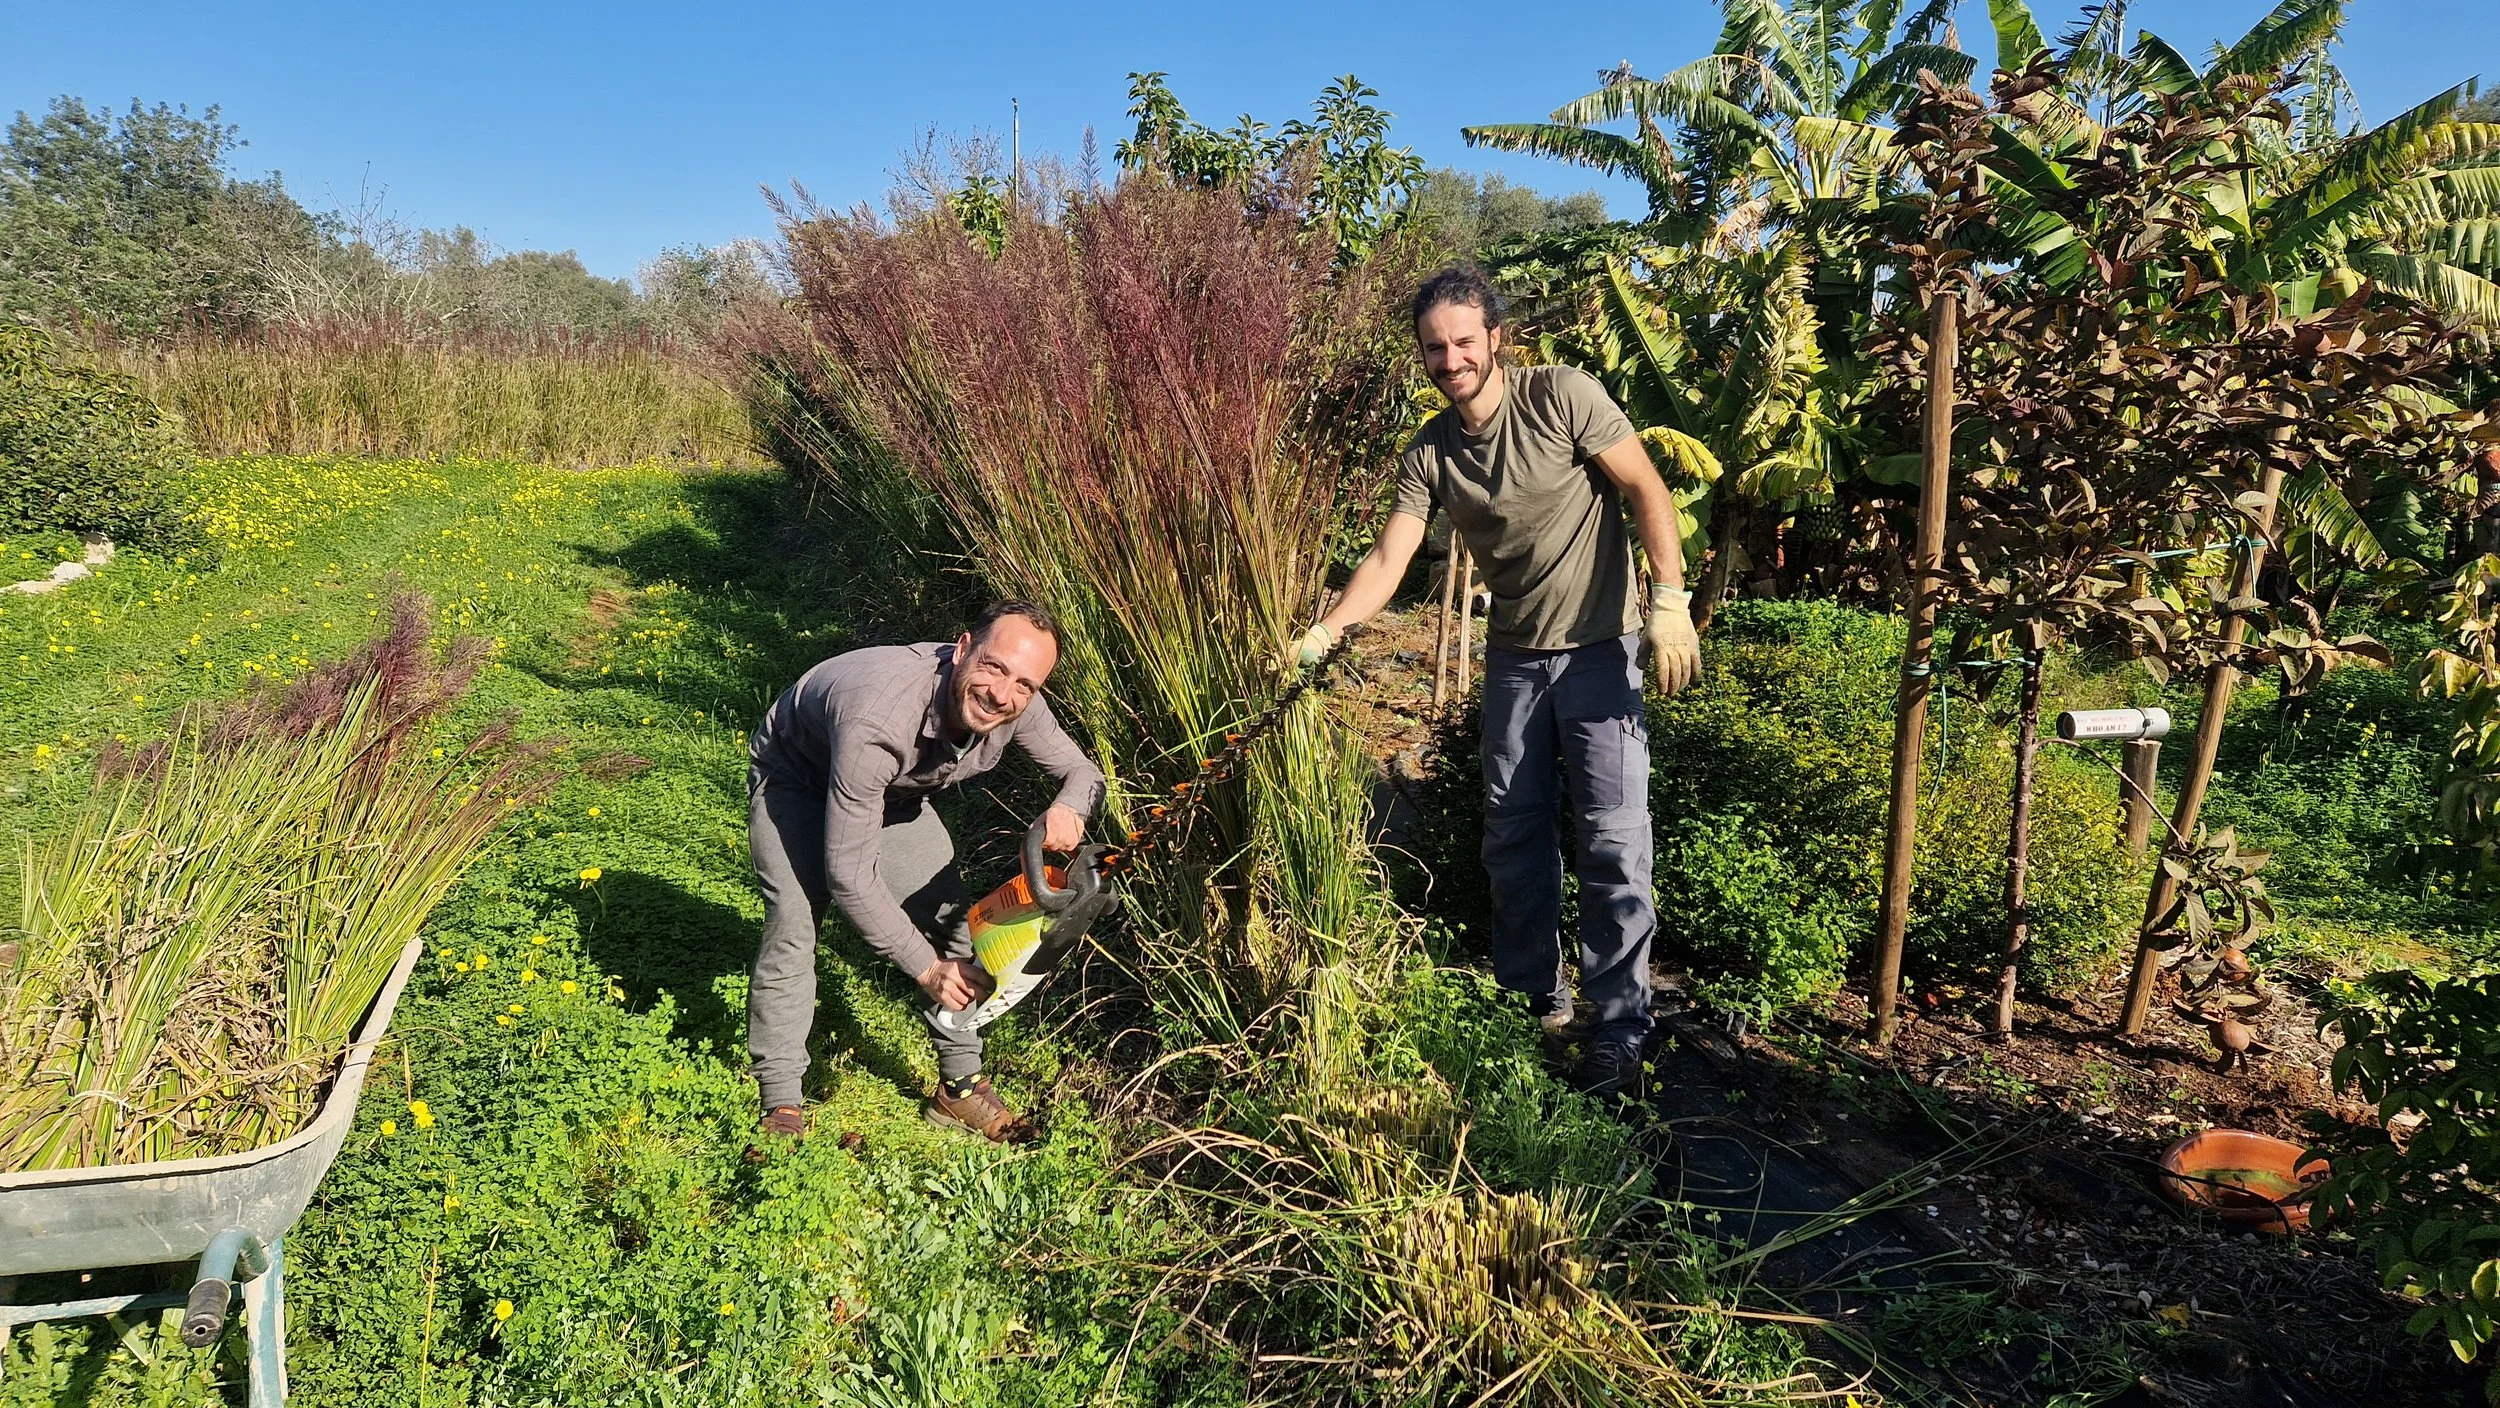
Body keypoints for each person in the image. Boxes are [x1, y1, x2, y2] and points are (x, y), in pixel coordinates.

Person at [1291, 265, 1700, 1097]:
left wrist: (1669, 599)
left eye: (1464, 342)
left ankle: (1618, 1025)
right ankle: (1530, 1002)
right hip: (1515, 657)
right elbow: (1387, 559)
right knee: (1512, 839)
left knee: (1614, 845)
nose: (1451, 360)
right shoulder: (1431, 453)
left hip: (1601, 649)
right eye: (1435, 349)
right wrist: (1328, 628)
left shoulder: (1561, 398)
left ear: (1496, 339)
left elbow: (1646, 489)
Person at [745, 600, 1105, 1142]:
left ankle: (958, 1089)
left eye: (1026, 685)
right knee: (796, 920)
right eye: (994, 667)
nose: (1003, 694)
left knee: (956, 920)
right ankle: (781, 1104)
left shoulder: (1017, 701)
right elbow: (850, 874)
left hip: (888, 796)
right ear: (962, 649)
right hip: (799, 782)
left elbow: (1082, 771)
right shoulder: (880, 717)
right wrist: (925, 968)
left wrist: (1070, 807)